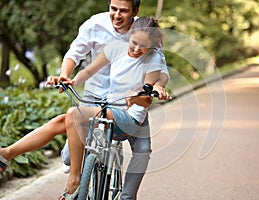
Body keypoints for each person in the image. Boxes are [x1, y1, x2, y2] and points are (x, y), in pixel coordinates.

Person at [0, 1, 169, 199]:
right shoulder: (98, 26)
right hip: (95, 96)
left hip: (126, 106)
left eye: (123, 11)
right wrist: (66, 77)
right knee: (67, 142)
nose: (116, 15)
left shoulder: (143, 31)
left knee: (142, 149)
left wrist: (157, 87)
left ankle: (123, 195)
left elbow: (159, 71)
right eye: (113, 9)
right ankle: (7, 153)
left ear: (135, 13)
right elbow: (78, 57)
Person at [51, 16, 165, 200]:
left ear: (152, 46)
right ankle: (75, 160)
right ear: (129, 35)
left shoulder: (153, 59)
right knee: (78, 117)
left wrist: (137, 98)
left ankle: (82, 182)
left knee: (75, 114)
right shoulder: (115, 49)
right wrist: (71, 81)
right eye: (134, 42)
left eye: (143, 46)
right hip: (110, 107)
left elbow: (147, 100)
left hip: (130, 118)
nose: (136, 49)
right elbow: (89, 70)